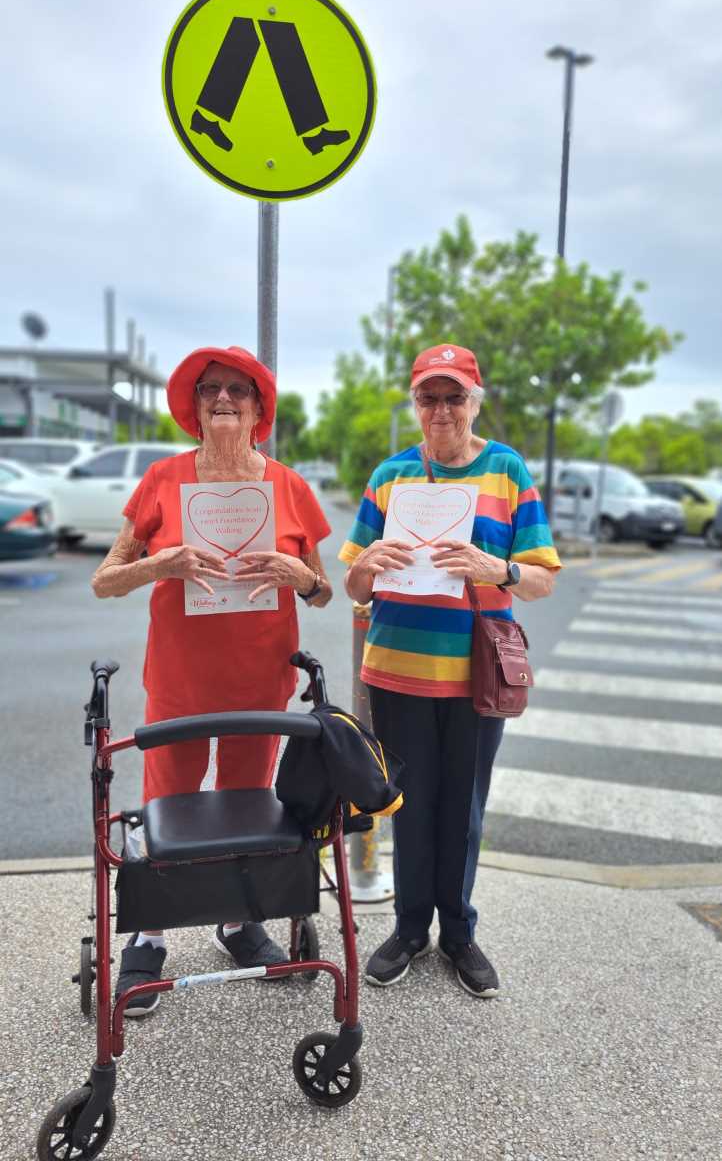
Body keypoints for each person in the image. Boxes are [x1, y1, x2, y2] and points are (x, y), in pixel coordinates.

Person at [92, 345, 332, 1016]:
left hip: (261, 676)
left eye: (237, 391)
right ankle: (148, 932)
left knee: (249, 802)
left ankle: (237, 919)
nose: (222, 400)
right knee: (168, 803)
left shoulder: (288, 487)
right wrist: (157, 563)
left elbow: (323, 594)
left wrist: (302, 578)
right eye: (209, 391)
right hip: (182, 676)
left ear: (260, 409)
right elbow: (104, 579)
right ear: (194, 409)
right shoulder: (163, 481)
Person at [339, 343, 560, 998]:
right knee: (409, 805)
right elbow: (352, 585)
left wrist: (501, 570)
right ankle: (410, 930)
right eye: (428, 397)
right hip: (399, 672)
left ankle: (459, 933)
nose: (441, 409)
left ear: (475, 400)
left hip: (475, 677)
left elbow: (543, 577)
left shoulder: (506, 470)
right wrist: (368, 562)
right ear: (414, 403)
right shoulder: (390, 475)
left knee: (463, 808)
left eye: (453, 396)